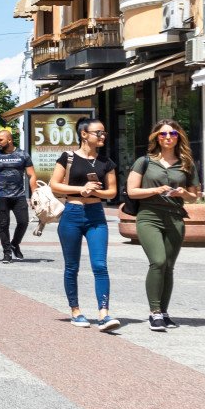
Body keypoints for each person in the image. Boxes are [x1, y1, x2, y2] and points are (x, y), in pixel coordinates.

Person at [126, 119, 200, 331]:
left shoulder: (187, 163)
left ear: (179, 137)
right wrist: (155, 190)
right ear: (156, 137)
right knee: (158, 261)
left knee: (168, 266)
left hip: (175, 218)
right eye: (163, 134)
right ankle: (154, 312)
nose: (168, 138)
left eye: (173, 134)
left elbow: (195, 196)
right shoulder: (144, 161)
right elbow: (132, 191)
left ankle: (164, 313)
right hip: (149, 216)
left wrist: (184, 193)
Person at [49, 118, 120, 331]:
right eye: (98, 133)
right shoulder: (68, 157)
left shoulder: (106, 162)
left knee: (100, 265)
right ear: (84, 134)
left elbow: (112, 192)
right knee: (72, 266)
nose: (102, 136)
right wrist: (81, 189)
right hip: (72, 213)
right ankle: (76, 311)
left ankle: (104, 314)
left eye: (103, 133)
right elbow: (54, 184)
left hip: (96, 215)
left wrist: (94, 191)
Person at [0, 127, 36, 263]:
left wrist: (35, 195)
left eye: (0, 139)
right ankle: (7, 252)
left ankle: (15, 243)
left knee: (23, 222)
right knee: (3, 224)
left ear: (9, 140)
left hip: (19, 195)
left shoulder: (23, 155)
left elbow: (31, 175)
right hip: (0, 195)